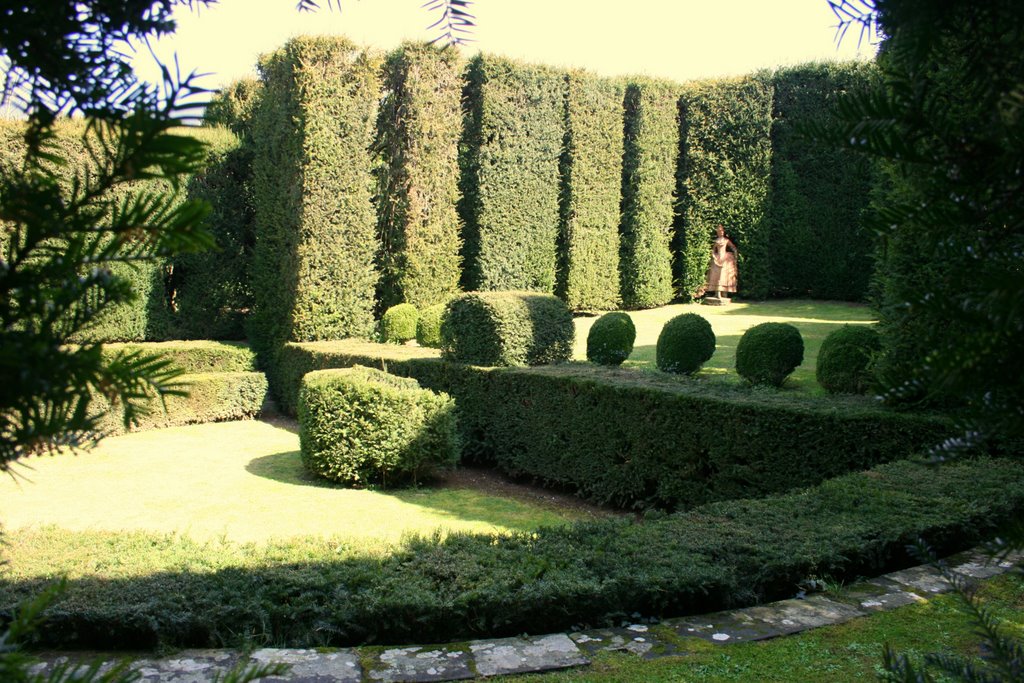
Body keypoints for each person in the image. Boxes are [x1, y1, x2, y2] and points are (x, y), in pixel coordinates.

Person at [705, 225, 738, 300]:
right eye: (719, 231)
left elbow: (733, 247)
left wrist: (735, 255)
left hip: (725, 258)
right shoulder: (716, 241)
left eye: (722, 231)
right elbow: (713, 250)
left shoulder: (726, 240)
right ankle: (717, 293)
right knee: (716, 275)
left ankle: (724, 292)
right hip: (717, 258)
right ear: (717, 233)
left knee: (724, 275)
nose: (720, 232)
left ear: (723, 232)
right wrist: (713, 256)